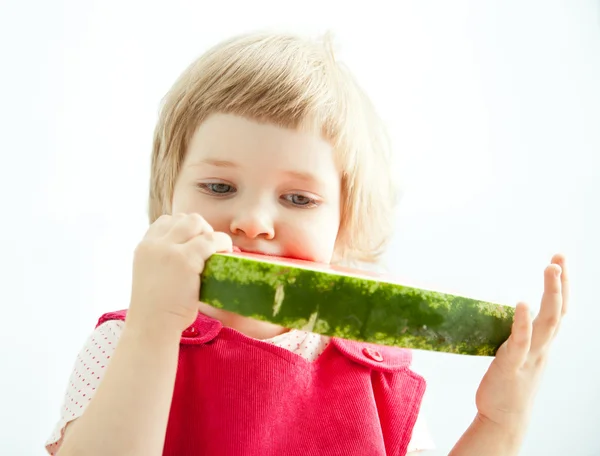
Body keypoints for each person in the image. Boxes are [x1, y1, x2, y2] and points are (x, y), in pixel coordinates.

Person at [46, 30, 569, 456]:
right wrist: (153, 329)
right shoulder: (124, 343)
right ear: (169, 196)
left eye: (298, 199)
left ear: (343, 225)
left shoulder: (374, 374)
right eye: (219, 187)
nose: (252, 222)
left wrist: (500, 420)